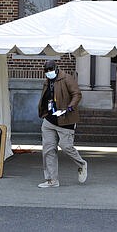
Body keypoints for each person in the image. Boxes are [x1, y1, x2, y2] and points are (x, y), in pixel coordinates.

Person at [37, 59, 87, 188]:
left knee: (66, 146)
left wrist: (70, 107)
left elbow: (77, 94)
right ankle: (52, 180)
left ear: (56, 68)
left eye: (50, 70)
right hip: (49, 120)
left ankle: (81, 164)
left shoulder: (67, 78)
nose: (49, 73)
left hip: (65, 120)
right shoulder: (47, 81)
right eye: (46, 71)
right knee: (48, 150)